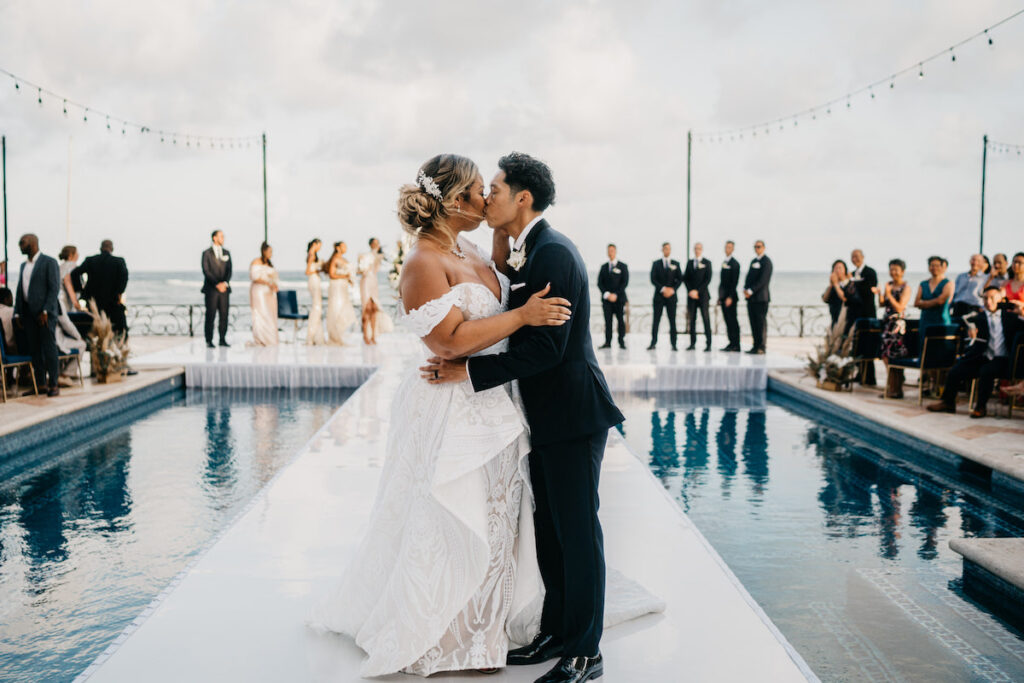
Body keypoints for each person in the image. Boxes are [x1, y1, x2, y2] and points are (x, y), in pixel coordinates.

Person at [307, 154, 574, 677]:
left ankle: (487, 625)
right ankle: (445, 632)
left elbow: (498, 277)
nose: (487, 198)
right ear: (454, 203)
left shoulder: (469, 245)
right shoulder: (423, 263)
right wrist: (522, 316)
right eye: (479, 191)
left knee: (498, 518)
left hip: (494, 398)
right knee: (454, 516)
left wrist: (502, 238)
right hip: (450, 406)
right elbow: (447, 341)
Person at [423, 152, 626, 683]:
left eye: (494, 188)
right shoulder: (528, 250)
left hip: (573, 416)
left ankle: (586, 652)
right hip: (543, 418)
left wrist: (466, 373)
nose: (485, 197)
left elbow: (548, 351)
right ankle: (556, 632)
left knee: (579, 534)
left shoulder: (554, 252)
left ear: (523, 198)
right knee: (551, 530)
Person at [927, 287, 1024, 418]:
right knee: (955, 370)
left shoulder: (1011, 317)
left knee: (986, 371)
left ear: (999, 299)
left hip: (1002, 359)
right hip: (982, 356)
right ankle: (947, 402)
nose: (988, 301)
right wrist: (970, 333)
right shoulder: (978, 318)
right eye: (985, 298)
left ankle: (980, 407)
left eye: (992, 298)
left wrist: (1022, 312)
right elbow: (969, 334)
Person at [13, 234, 61, 396]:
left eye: (22, 243)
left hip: (44, 314)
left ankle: (53, 384)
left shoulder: (49, 262)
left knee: (49, 348)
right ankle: (40, 384)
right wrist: (17, 313)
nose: (20, 246)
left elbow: (54, 289)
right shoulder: (23, 266)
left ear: (33, 244)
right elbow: (20, 290)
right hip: (28, 314)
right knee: (35, 350)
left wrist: (46, 311)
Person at [71, 240, 129, 336]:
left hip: (93, 300)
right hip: (112, 300)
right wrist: (119, 292)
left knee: (94, 326)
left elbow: (75, 273)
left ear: (101, 248)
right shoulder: (119, 261)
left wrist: (81, 290)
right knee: (117, 327)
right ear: (112, 248)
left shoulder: (90, 260)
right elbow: (124, 278)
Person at [879, 259, 912, 398]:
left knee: (895, 356)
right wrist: (881, 293)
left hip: (897, 325)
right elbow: (882, 304)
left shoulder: (906, 287)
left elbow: (899, 307)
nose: (893, 272)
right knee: (885, 356)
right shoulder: (889, 285)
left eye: (896, 270)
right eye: (891, 269)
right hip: (887, 323)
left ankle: (896, 388)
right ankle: (891, 385)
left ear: (902, 271)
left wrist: (889, 293)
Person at [848, 249, 878, 385]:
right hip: (855, 315)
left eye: (857, 256)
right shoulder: (852, 274)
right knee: (857, 345)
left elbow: (869, 291)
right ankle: (860, 373)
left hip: (867, 314)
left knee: (868, 345)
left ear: (863, 257)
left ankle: (870, 377)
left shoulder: (870, 272)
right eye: (853, 257)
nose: (855, 259)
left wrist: (855, 283)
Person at [357, 237, 393, 345]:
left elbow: (380, 262)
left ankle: (373, 335)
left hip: (374, 281)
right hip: (366, 281)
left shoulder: (378, 256)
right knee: (366, 308)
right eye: (375, 243)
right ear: (370, 244)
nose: (376, 245)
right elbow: (359, 270)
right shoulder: (364, 256)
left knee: (374, 309)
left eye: (378, 243)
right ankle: (365, 335)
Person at [648, 242, 683, 350]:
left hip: (671, 297)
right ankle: (653, 342)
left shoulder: (676, 263)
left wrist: (672, 289)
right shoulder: (656, 263)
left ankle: (674, 344)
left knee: (672, 320)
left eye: (668, 248)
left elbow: (680, 279)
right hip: (659, 296)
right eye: (665, 248)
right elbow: (653, 279)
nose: (666, 250)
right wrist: (663, 289)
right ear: (662, 250)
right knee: (656, 320)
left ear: (670, 250)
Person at [201, 230, 232, 348]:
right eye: (221, 236)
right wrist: (217, 284)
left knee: (224, 315)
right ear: (214, 238)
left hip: (224, 290)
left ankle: (222, 339)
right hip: (211, 290)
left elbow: (229, 270)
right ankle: (209, 340)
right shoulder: (206, 253)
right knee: (211, 315)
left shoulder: (227, 252)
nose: (223, 238)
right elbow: (206, 270)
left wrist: (224, 283)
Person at [915, 256, 953, 343]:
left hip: (941, 321)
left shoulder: (948, 283)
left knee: (940, 347)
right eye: (932, 265)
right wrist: (933, 302)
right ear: (929, 267)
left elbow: (941, 301)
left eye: (937, 265)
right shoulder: (923, 283)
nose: (934, 268)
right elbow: (916, 303)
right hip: (925, 321)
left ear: (942, 267)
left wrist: (923, 303)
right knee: (924, 346)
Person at [743, 239, 772, 354]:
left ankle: (762, 346)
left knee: (761, 323)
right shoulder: (753, 261)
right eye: (755, 247)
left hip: (761, 298)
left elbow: (763, 280)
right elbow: (749, 277)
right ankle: (755, 345)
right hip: (751, 298)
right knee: (753, 322)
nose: (757, 249)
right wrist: (745, 289)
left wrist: (751, 290)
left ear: (763, 248)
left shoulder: (767, 262)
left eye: (759, 246)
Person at [597, 243, 628, 349]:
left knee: (620, 321)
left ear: (615, 251)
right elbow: (600, 283)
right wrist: (606, 294)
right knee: (608, 321)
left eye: (612, 250)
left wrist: (616, 294)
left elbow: (624, 283)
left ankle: (621, 341)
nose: (610, 252)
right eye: (608, 251)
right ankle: (607, 342)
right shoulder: (604, 267)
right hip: (607, 300)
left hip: (619, 299)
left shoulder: (623, 266)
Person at [683, 241, 712, 351]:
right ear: (694, 250)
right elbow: (685, 278)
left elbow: (707, 279)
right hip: (691, 297)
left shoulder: (707, 263)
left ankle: (708, 344)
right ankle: (692, 343)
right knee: (692, 320)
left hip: (703, 296)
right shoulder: (690, 263)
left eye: (699, 248)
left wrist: (697, 291)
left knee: (706, 319)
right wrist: (690, 291)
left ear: (702, 250)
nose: (697, 250)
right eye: (695, 248)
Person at [325, 241, 356, 345]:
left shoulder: (344, 259)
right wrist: (345, 276)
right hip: (336, 286)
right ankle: (334, 336)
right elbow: (331, 274)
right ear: (338, 248)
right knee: (336, 308)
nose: (346, 248)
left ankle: (339, 334)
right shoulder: (335, 259)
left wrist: (349, 279)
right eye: (344, 246)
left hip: (343, 287)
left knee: (343, 307)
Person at [249, 242, 279, 346]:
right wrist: (268, 283)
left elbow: (274, 277)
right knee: (261, 313)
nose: (271, 253)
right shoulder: (256, 261)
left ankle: (269, 338)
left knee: (269, 314)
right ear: (264, 251)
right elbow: (254, 277)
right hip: (259, 292)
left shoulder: (269, 263)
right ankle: (261, 338)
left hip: (269, 293)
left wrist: (274, 285)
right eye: (270, 251)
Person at [718, 240, 741, 352]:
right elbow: (722, 282)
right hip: (723, 297)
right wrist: (720, 297)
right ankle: (731, 342)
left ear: (733, 249)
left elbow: (734, 282)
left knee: (733, 321)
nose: (727, 249)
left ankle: (736, 344)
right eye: (726, 247)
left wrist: (730, 297)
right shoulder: (724, 262)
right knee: (727, 321)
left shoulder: (735, 264)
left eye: (730, 247)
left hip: (730, 298)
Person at [950, 253, 987, 319]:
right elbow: (954, 292)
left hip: (974, 308)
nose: (975, 263)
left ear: (982, 263)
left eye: (978, 261)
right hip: (958, 307)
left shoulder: (985, 278)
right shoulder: (961, 276)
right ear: (970, 261)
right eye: (973, 260)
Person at [305, 239, 326, 345]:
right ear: (315, 244)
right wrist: (317, 270)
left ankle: (316, 336)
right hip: (313, 280)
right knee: (316, 307)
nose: (320, 247)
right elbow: (307, 271)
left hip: (315, 280)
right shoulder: (311, 255)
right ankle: (311, 336)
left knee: (317, 307)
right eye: (319, 245)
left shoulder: (313, 255)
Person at [822, 259, 854, 330]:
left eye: (840, 268)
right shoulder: (832, 286)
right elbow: (825, 299)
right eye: (835, 268)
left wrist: (836, 285)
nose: (837, 270)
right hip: (834, 319)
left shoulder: (849, 284)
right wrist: (831, 285)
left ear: (845, 270)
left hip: (846, 320)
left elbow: (845, 299)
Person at [58, 245, 82, 313]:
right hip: (68, 300)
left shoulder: (60, 266)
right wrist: (75, 302)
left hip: (60, 298)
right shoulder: (72, 265)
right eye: (76, 253)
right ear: (71, 255)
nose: (78, 255)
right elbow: (67, 282)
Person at [0, 286, 15, 352]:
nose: (12, 300)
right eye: (11, 298)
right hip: (11, 350)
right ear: (6, 299)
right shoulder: (12, 311)